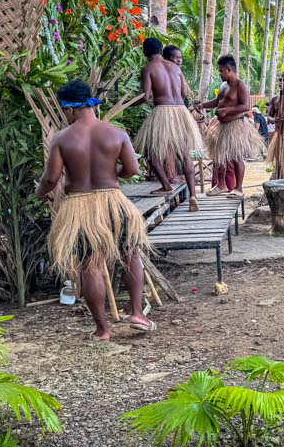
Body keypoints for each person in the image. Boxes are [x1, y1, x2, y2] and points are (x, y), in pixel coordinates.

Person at [37, 79, 154, 340]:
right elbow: (132, 170)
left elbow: (51, 178)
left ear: (68, 109)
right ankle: (137, 314)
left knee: (89, 266)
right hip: (113, 201)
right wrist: (112, 175)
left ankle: (103, 329)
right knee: (130, 254)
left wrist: (41, 193)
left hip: (79, 207)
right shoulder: (116, 133)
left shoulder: (62, 139)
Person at [133, 38, 203, 209]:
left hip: (163, 112)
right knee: (185, 154)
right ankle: (193, 196)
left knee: (151, 153)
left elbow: (146, 96)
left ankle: (166, 186)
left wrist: (128, 103)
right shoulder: (175, 68)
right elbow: (183, 93)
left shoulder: (148, 68)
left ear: (144, 52)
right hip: (181, 112)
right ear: (161, 49)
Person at [200, 54, 265, 198]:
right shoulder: (223, 85)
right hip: (222, 126)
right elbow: (217, 101)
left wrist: (227, 110)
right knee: (220, 156)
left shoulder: (240, 85)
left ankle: (239, 188)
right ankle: (221, 185)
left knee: (236, 157)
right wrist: (202, 105)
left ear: (229, 70)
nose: (219, 73)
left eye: (221, 71)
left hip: (235, 125)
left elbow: (246, 106)